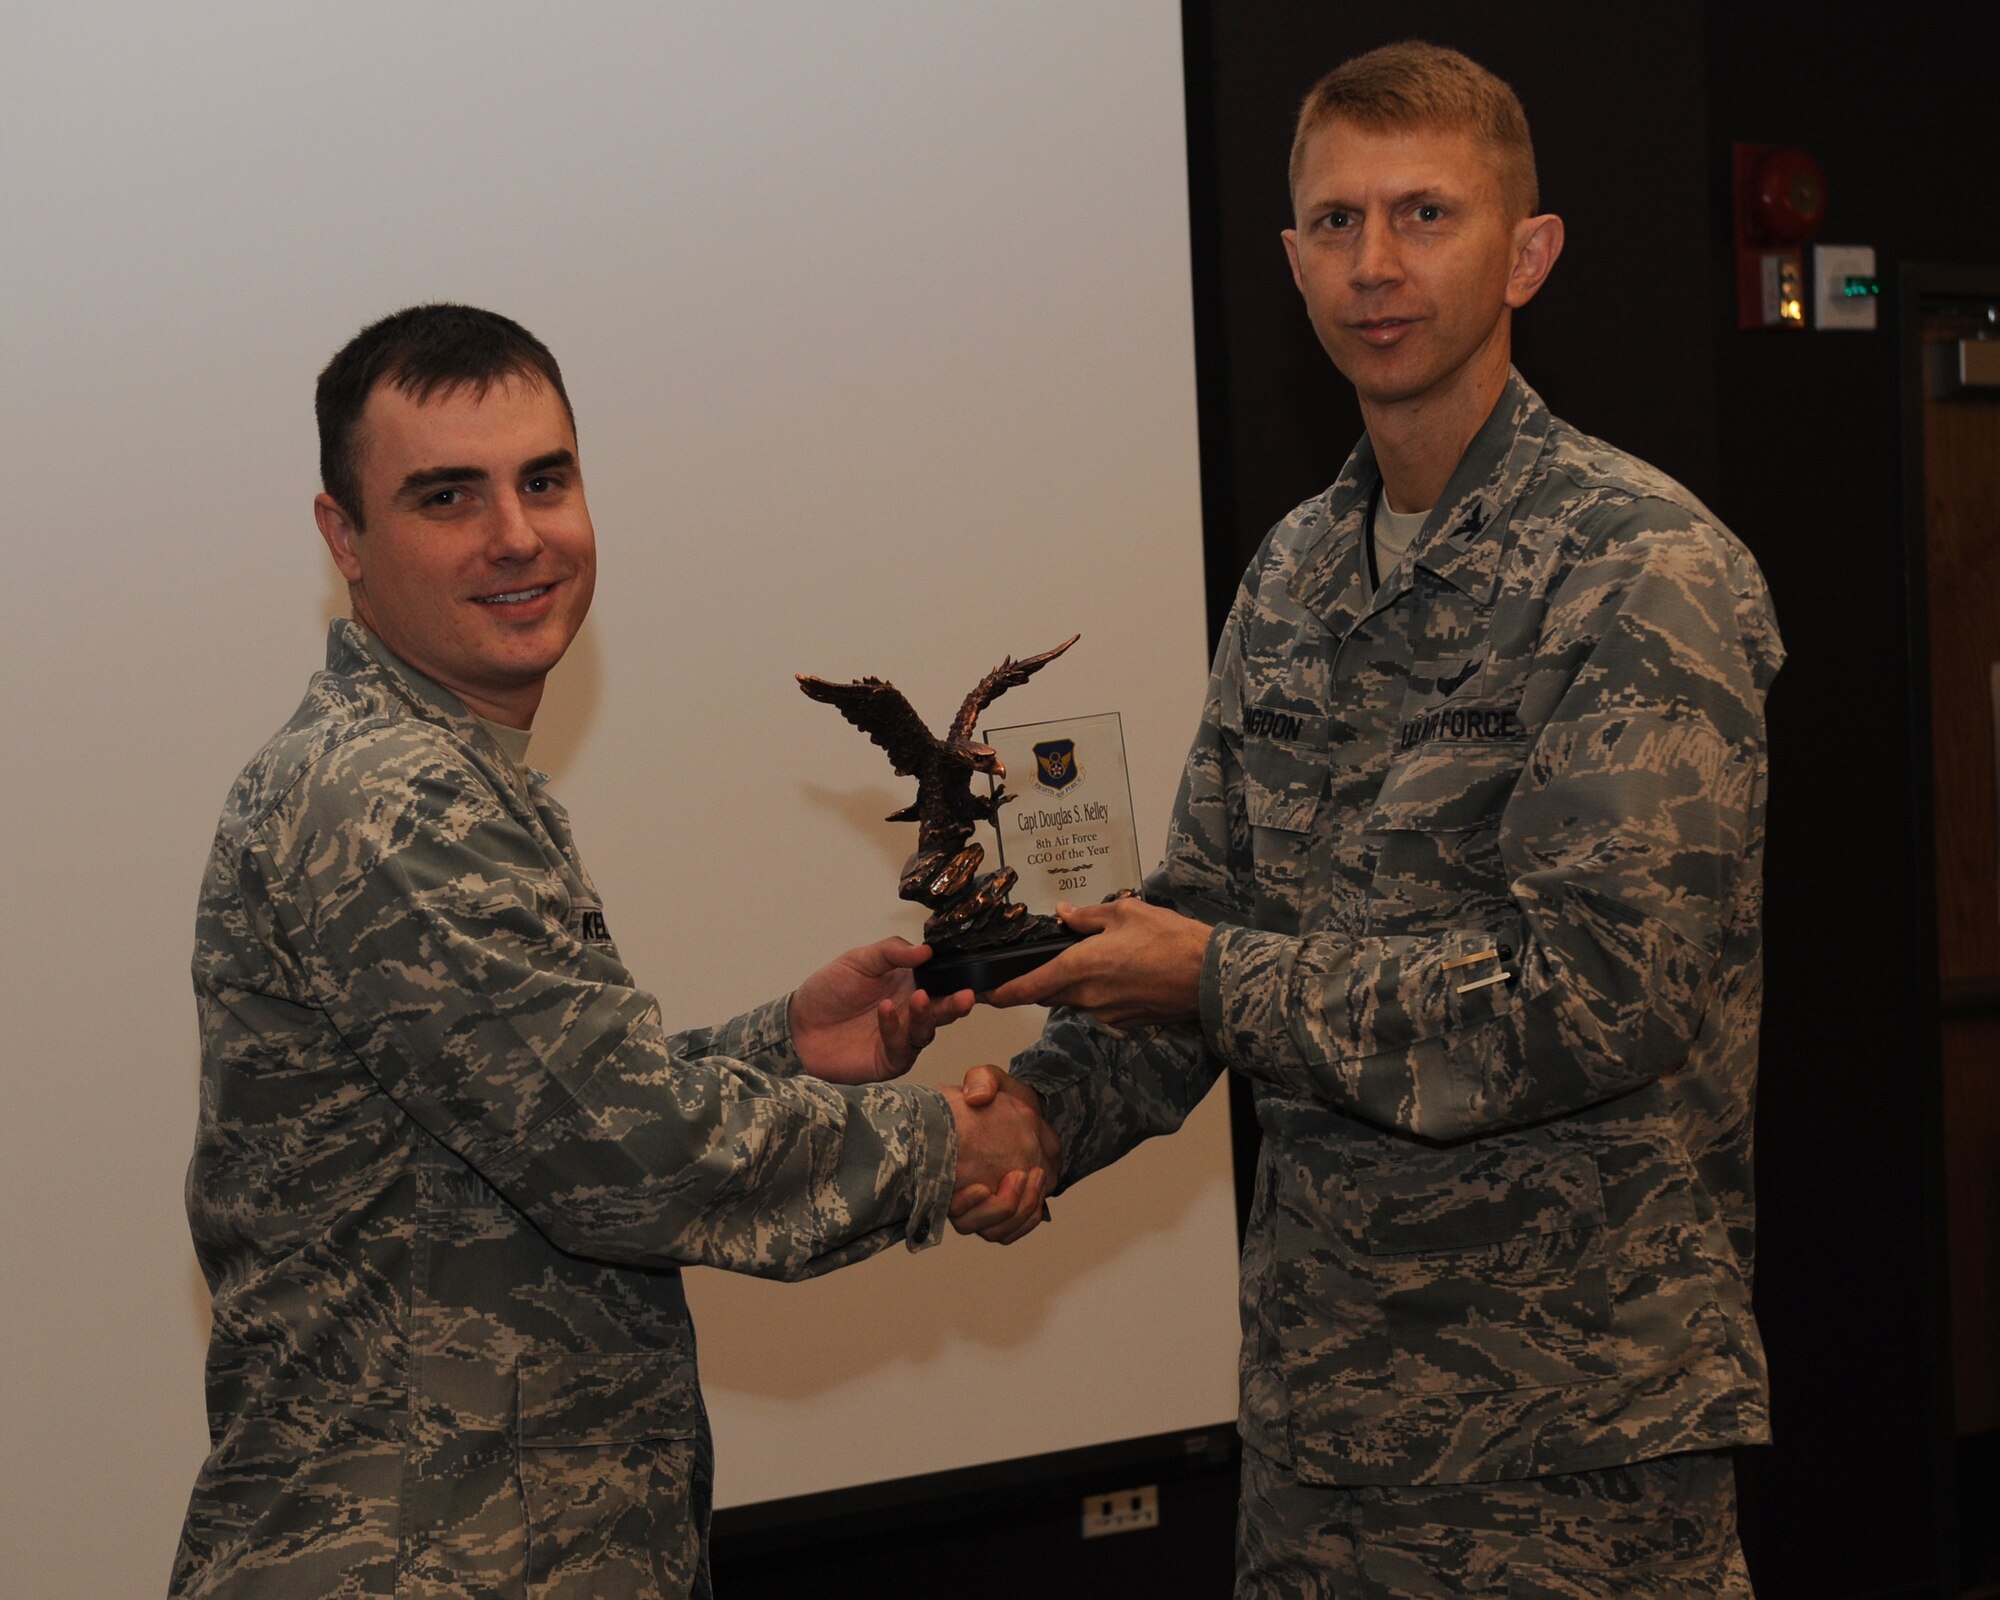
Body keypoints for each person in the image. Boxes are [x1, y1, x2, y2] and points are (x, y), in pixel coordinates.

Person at [953, 40, 1783, 1597]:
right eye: (1336, 224)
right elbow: (1206, 911)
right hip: (1321, 1438)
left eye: (1425, 215)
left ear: (1527, 251)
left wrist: (1204, 976)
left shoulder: (1641, 569)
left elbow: (1604, 995)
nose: (1375, 265)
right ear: (1289, 259)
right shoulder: (1296, 573)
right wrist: (1039, 1121)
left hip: (1570, 1453)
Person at [172, 303, 1056, 1599]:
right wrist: (953, 1147)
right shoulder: (394, 797)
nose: (517, 534)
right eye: (446, 496)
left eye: (546, 479)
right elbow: (630, 1158)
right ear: (343, 539)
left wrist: (778, 1049)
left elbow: (497, 1135)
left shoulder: (439, 769)